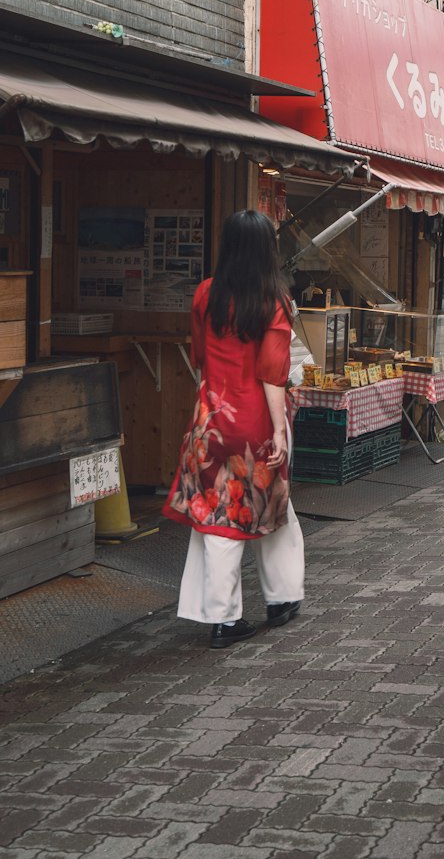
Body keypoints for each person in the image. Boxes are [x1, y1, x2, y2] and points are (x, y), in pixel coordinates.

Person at [163, 210, 305, 649]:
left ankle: (237, 612)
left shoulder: (206, 293)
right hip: (256, 422)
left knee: (218, 514)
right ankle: (264, 606)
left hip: (211, 421)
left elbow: (200, 355)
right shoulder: (274, 301)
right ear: (268, 250)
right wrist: (279, 430)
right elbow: (272, 373)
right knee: (267, 503)